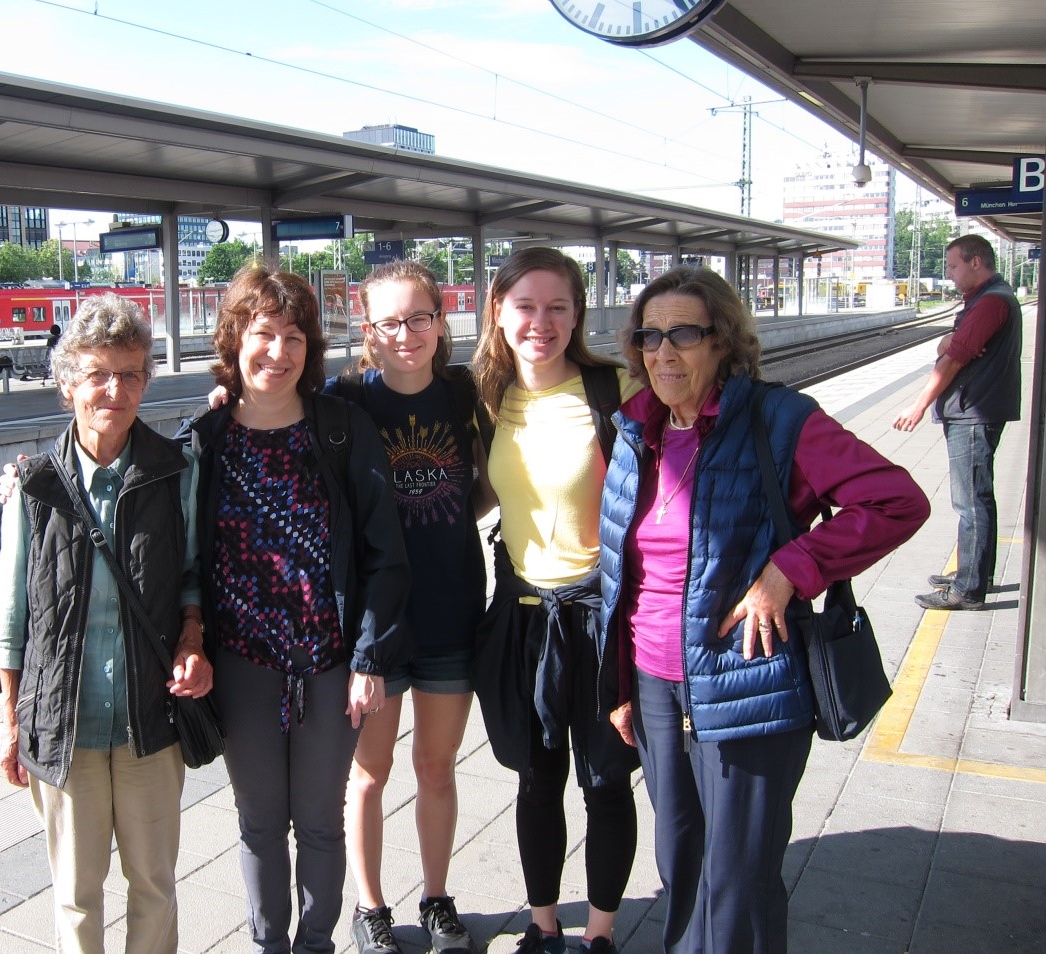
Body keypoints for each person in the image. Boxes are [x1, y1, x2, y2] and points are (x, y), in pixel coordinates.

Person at [598, 265, 929, 954]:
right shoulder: (635, 432)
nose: (662, 352)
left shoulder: (779, 422)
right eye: (649, 335)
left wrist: (790, 569)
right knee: (679, 867)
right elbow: (627, 576)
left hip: (747, 682)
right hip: (658, 689)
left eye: (682, 334)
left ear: (721, 341)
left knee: (737, 882)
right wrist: (622, 686)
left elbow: (896, 500)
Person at [184, 263, 410, 954]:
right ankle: (268, 946)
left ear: (310, 350)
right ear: (234, 340)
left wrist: (369, 659)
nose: (276, 352)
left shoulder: (340, 430)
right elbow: (172, 544)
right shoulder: (206, 440)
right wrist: (27, 479)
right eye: (261, 334)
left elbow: (384, 553)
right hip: (242, 662)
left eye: (293, 338)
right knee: (258, 822)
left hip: (327, 662)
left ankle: (316, 944)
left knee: (317, 821)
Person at [0, 293, 209, 954]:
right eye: (97, 374)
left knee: (154, 886)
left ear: (146, 378)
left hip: (150, 718)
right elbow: (10, 615)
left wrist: (194, 640)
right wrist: (9, 722)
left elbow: (195, 573)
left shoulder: (176, 471)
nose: (114, 389)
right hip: (65, 723)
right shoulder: (33, 486)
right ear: (68, 384)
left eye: (131, 373)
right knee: (76, 898)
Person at [470, 247, 642, 954]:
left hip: (603, 618)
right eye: (525, 306)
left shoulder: (616, 387)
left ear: (577, 313)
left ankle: (599, 936)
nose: (541, 322)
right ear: (498, 314)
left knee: (604, 783)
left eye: (557, 307)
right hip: (520, 619)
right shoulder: (482, 395)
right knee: (536, 783)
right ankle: (542, 929)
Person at [329, 261, 489, 954]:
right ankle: (368, 907)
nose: (405, 334)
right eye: (388, 322)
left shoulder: (462, 394)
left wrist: (454, 526)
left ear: (440, 319)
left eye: (418, 317)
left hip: (451, 605)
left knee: (435, 765)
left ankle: (436, 896)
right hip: (374, 622)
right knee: (369, 771)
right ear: (368, 331)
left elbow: (485, 482)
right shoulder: (344, 401)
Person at [892, 233, 1022, 610]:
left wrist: (918, 405)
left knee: (970, 502)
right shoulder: (988, 299)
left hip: (974, 412)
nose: (948, 274)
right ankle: (974, 573)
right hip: (976, 409)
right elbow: (948, 345)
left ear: (975, 262)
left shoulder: (990, 303)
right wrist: (948, 341)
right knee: (976, 498)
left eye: (952, 266)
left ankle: (968, 589)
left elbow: (953, 359)